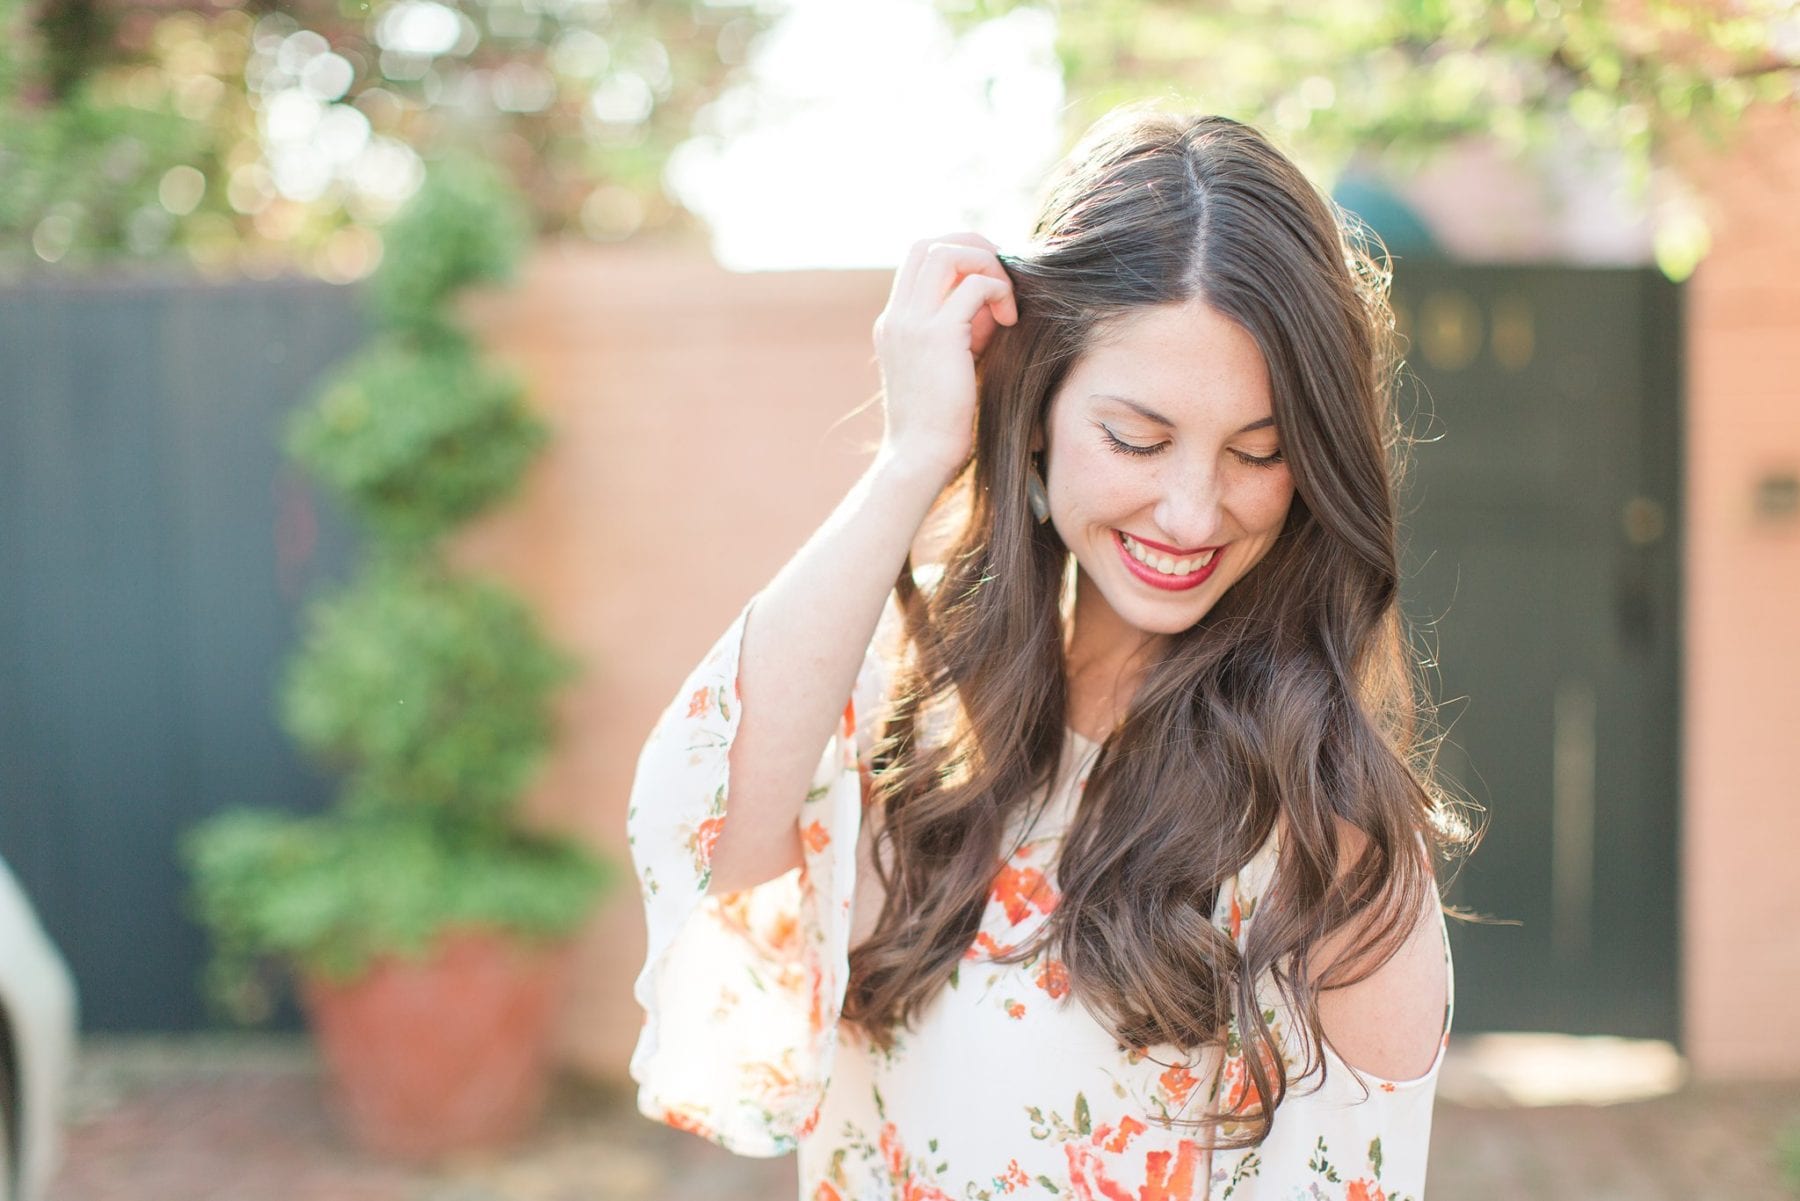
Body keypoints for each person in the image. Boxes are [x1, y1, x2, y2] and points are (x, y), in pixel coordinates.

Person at [624, 104, 1471, 1201]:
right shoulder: (908, 731)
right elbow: (700, 832)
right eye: (1137, 437)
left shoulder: (1325, 834)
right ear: (1037, 409)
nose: (1189, 510)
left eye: (1257, 454)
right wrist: (915, 453)